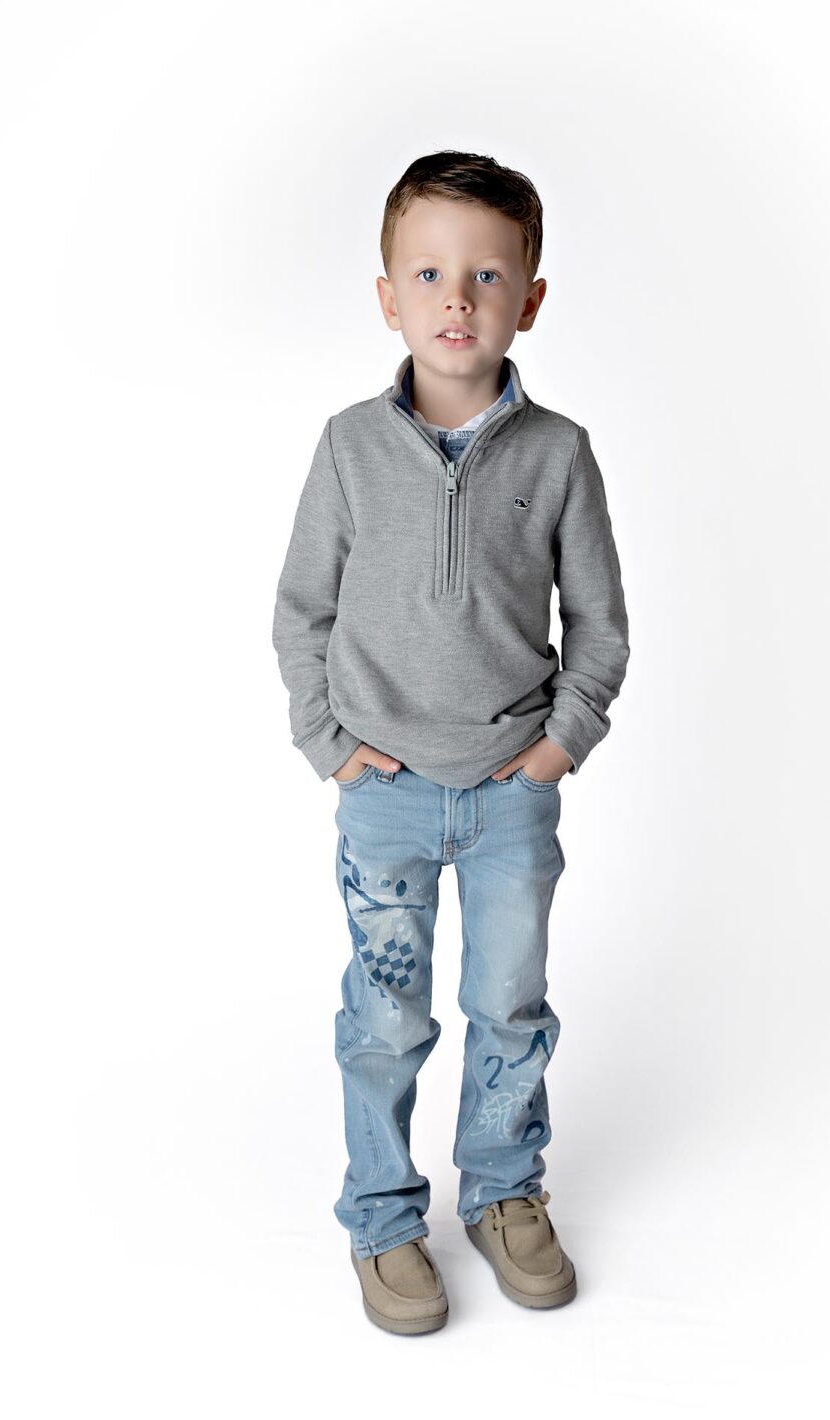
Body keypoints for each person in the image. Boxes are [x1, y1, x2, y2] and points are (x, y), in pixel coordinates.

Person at [272, 150, 629, 1334]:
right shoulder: (346, 447)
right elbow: (301, 612)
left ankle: (503, 1190)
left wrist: (557, 747)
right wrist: (328, 743)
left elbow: (601, 625)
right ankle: (382, 1214)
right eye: (428, 273)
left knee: (511, 1003)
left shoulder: (559, 453)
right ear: (388, 296)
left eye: (487, 274)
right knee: (383, 1016)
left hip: (509, 792)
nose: (457, 299)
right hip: (382, 789)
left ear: (529, 298)